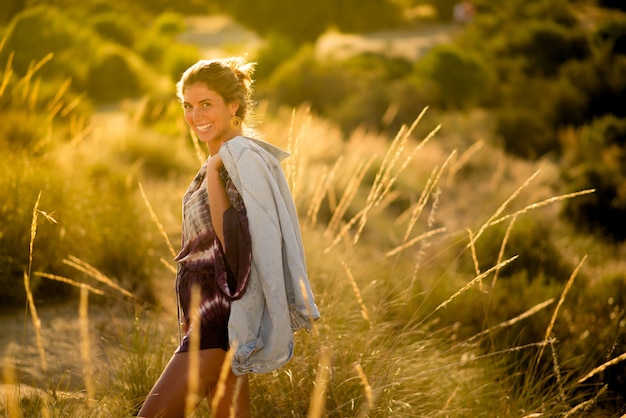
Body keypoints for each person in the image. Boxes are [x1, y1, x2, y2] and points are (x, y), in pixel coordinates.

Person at [138, 57, 321, 418]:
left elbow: (235, 249)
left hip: (222, 318)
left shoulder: (238, 158)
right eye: (188, 106)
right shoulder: (225, 158)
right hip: (208, 314)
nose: (195, 115)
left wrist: (213, 174)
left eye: (207, 104)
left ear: (232, 105)